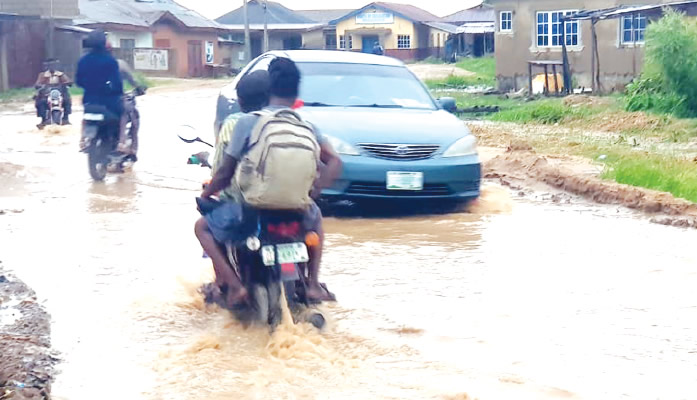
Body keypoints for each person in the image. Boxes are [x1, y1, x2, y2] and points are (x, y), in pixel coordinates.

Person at [195, 58, 342, 308]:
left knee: (202, 228)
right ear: (297, 90)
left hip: (252, 211)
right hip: (296, 210)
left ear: (269, 89)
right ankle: (313, 284)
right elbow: (335, 162)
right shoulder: (305, 125)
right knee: (315, 219)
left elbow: (225, 173)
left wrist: (208, 194)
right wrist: (313, 192)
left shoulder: (247, 122)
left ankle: (235, 286)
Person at [76, 30, 124, 150]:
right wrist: (115, 91)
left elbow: (78, 81)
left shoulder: (83, 60)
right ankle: (120, 143)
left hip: (89, 100)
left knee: (85, 118)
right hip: (109, 102)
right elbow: (117, 83)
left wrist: (90, 87)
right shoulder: (110, 61)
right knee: (122, 114)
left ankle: (83, 139)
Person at [34, 59, 73, 128]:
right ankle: (43, 120)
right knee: (40, 102)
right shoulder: (43, 75)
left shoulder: (61, 74)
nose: (52, 67)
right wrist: (40, 86)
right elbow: (37, 83)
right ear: (47, 67)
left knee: (67, 100)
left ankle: (66, 118)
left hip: (60, 93)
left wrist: (68, 83)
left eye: (53, 65)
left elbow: (68, 81)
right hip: (46, 94)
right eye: (50, 65)